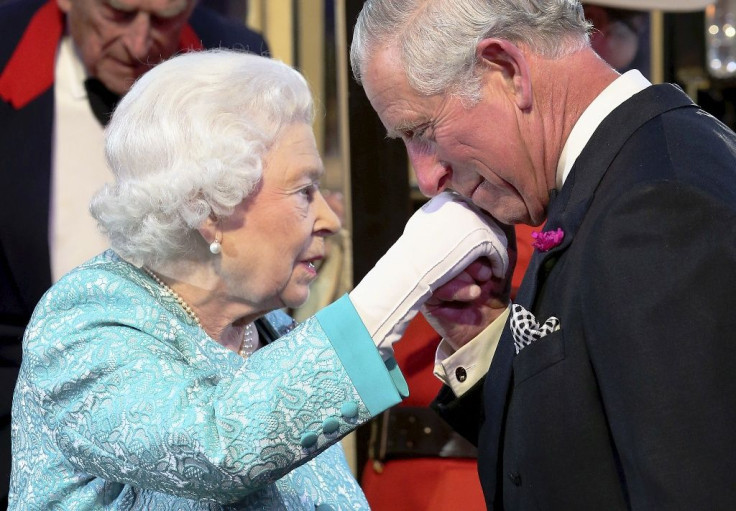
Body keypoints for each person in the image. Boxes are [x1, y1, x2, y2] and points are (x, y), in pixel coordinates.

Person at [9, 49, 509, 508]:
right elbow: (210, 450)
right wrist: (398, 282)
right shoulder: (85, 322)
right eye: (303, 191)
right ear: (208, 208)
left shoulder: (271, 335)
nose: (329, 221)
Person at [350, 0, 736, 509]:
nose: (427, 177)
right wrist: (482, 337)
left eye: (421, 132)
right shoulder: (619, 179)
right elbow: (583, 454)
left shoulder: (656, 207)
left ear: (507, 70)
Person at [0, 0, 268, 501]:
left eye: (165, 19)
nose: (141, 44)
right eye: (118, 14)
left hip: (193, 436)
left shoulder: (236, 59)